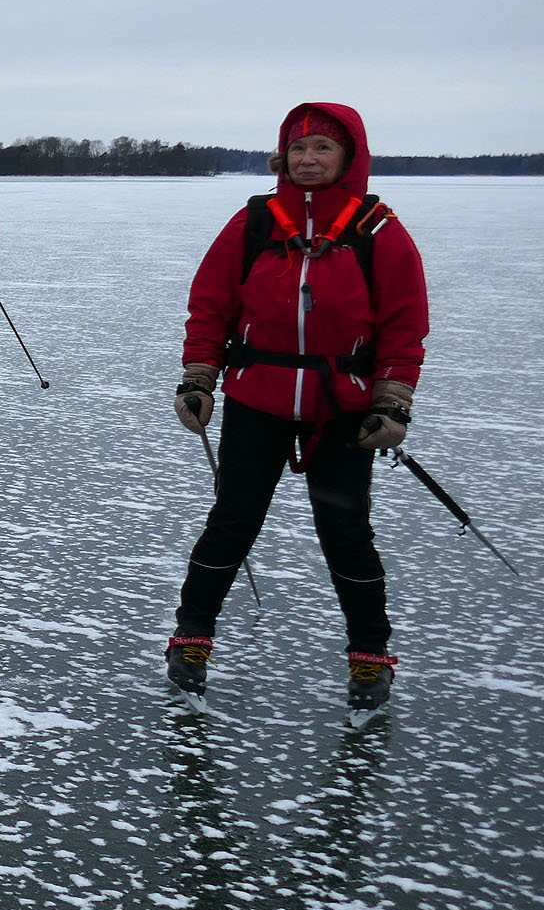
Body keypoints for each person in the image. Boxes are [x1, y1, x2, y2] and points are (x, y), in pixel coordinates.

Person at [167, 102, 428, 718]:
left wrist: (392, 402)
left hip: (342, 409)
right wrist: (199, 378)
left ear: (348, 157)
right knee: (232, 520)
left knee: (345, 532)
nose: (308, 160)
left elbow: (404, 325)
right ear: (283, 157)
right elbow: (210, 306)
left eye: (323, 149)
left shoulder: (379, 229)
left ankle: (370, 653)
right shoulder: (254, 221)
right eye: (299, 149)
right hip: (257, 397)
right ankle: (191, 638)